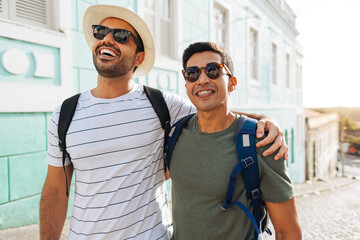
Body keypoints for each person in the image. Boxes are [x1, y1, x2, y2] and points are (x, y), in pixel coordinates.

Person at [40, 5, 288, 240]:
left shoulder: (162, 104)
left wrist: (267, 120)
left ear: (139, 58)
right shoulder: (65, 114)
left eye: (121, 36)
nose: (108, 39)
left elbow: (216, 112)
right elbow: (54, 191)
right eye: (101, 32)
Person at [168, 42, 302, 240]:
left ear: (232, 83)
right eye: (192, 73)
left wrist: (267, 120)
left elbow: (287, 231)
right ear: (187, 84)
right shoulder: (175, 133)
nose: (202, 79)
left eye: (213, 70)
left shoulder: (261, 142)